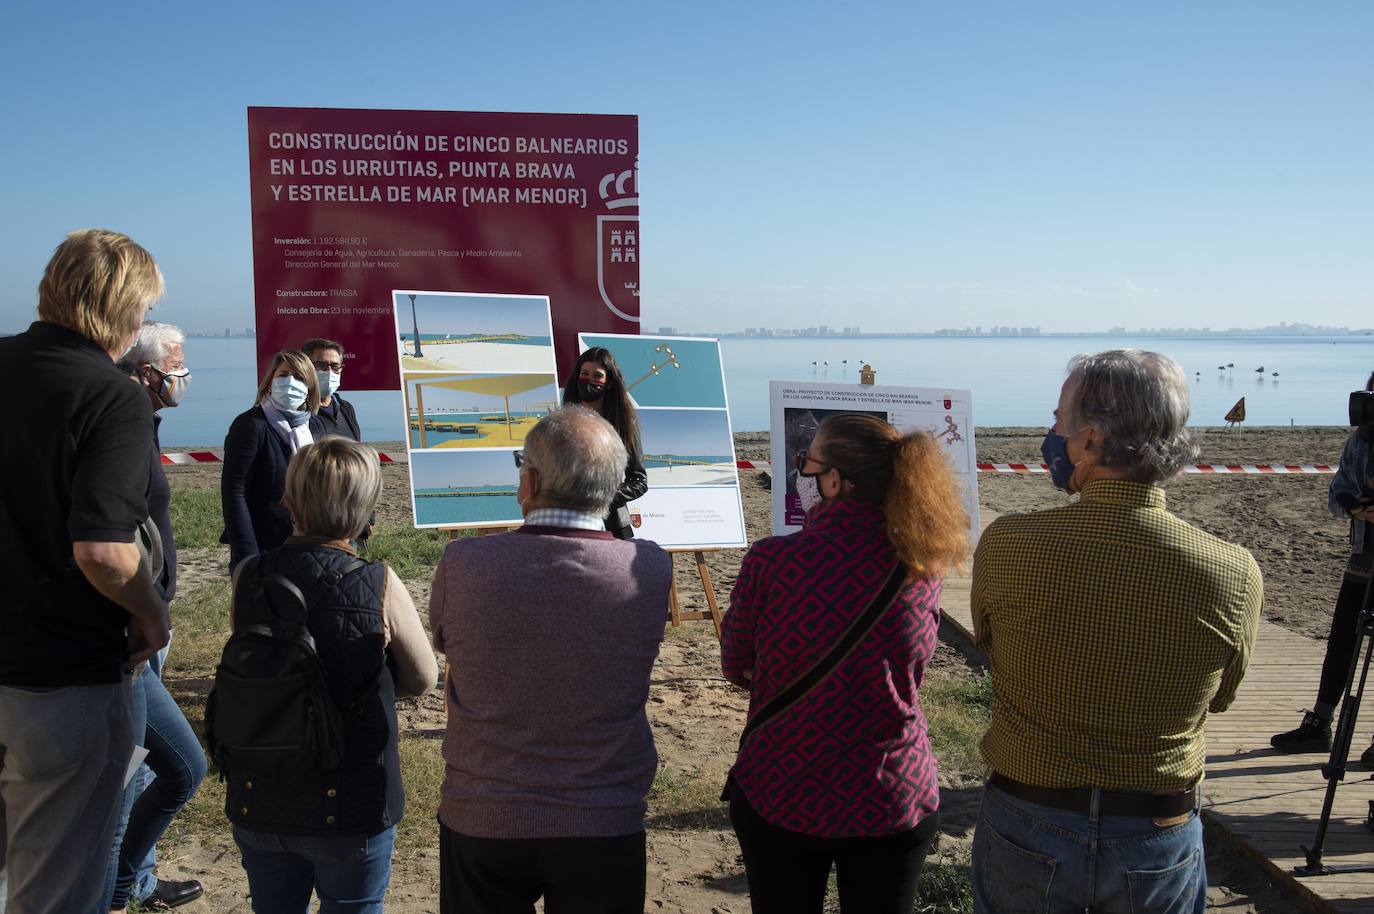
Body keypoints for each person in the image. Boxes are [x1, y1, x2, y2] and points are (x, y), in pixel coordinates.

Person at [970, 349, 1263, 914]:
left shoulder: (1009, 544)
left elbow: (990, 645)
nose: (1051, 431)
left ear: (1089, 439)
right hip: (1157, 828)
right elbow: (1221, 697)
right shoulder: (1233, 570)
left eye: (1058, 418)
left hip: (1028, 815)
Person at [720, 414, 968, 914]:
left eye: (806, 464)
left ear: (835, 480)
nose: (802, 475)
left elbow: (736, 662)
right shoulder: (924, 566)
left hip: (783, 783)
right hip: (893, 788)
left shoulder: (772, 560)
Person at [430, 406, 672, 914]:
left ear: (532, 482)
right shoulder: (649, 566)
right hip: (604, 813)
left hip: (485, 810)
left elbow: (448, 641)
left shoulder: (465, 562)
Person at [0, 229, 170, 914]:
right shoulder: (111, 396)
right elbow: (103, 549)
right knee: (56, 888)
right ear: (123, 310)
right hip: (64, 675)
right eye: (145, 310)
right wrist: (152, 615)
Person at [227, 437, 437, 913]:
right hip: (350, 796)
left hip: (262, 785)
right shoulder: (379, 582)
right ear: (367, 512)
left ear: (288, 502)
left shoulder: (249, 576)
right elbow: (423, 677)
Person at [102, 322, 206, 911]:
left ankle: (131, 881)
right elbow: (111, 538)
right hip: (130, 631)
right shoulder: (122, 423)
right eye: (176, 367)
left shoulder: (141, 419)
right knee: (136, 777)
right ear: (147, 372)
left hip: (147, 622)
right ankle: (116, 890)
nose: (184, 377)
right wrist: (146, 611)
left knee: (163, 768)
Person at [1271, 370, 1374, 765]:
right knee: (1342, 641)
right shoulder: (1360, 441)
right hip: (1362, 558)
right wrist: (1354, 506)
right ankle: (1320, 723)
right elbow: (1337, 492)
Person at [220, 350, 325, 572]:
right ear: (269, 383)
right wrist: (247, 556)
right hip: (264, 547)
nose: (290, 382)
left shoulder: (314, 427)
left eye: (299, 377)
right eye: (284, 375)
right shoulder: (250, 425)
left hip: (310, 544)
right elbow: (235, 493)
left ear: (309, 388)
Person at [561, 348, 647, 538]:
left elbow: (639, 481)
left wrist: (601, 496)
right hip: (570, 524)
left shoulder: (624, 422)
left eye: (597, 376)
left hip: (613, 527)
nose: (589, 380)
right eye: (584, 373)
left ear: (609, 383)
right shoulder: (563, 420)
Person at [303, 337, 360, 441]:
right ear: (305, 368)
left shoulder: (346, 408)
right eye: (320, 365)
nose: (329, 371)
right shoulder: (298, 411)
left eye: (335, 366)